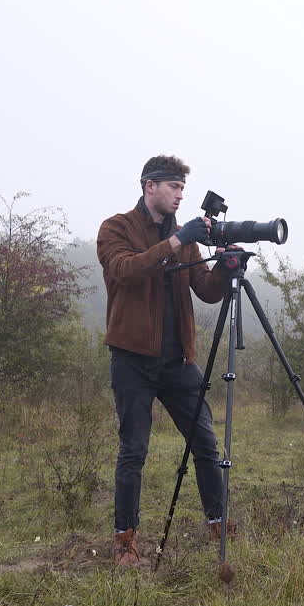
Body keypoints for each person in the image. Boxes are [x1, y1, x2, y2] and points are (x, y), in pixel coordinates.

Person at [96, 154, 237, 567]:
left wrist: (227, 266)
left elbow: (207, 291)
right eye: (173, 187)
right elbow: (125, 270)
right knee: (134, 450)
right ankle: (125, 541)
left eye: (182, 189)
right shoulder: (116, 228)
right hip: (133, 359)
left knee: (206, 444)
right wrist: (177, 241)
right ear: (149, 186)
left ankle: (218, 523)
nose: (180, 195)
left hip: (178, 361)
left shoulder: (184, 236)